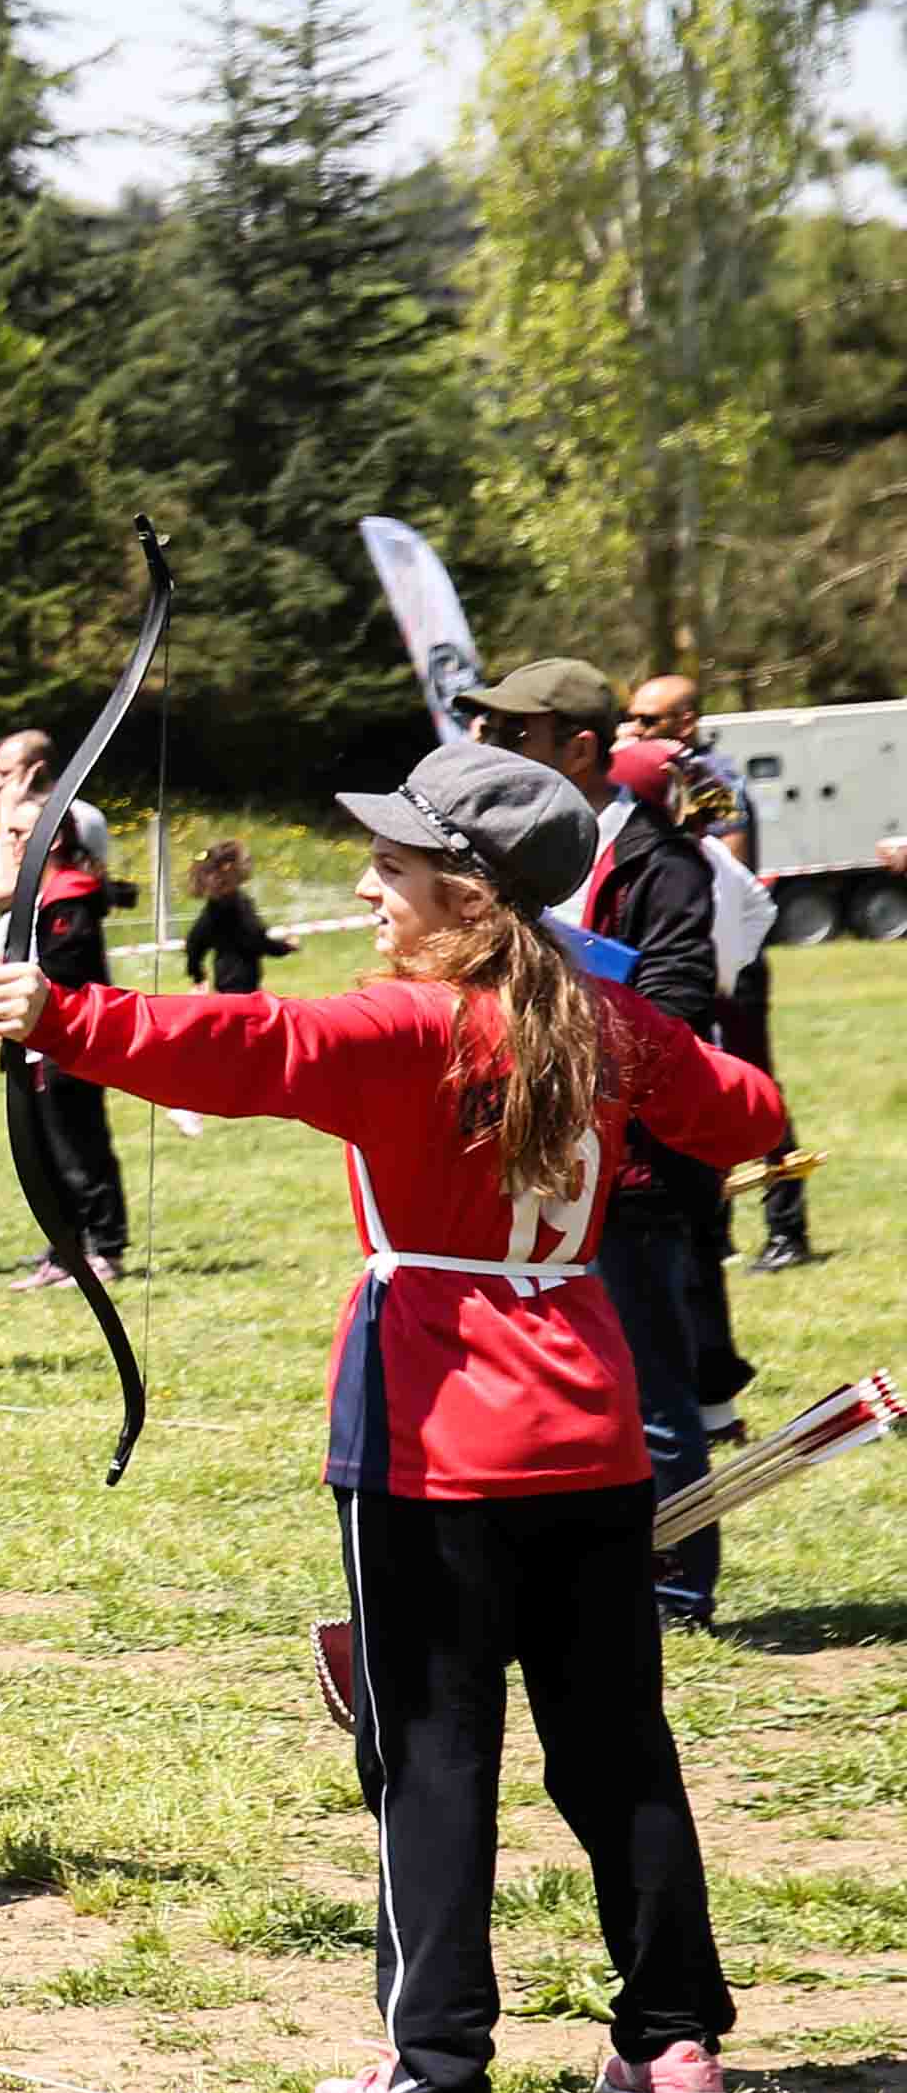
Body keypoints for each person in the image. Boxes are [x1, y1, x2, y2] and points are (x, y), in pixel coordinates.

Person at [0, 738, 784, 2093]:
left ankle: (433, 2065)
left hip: (434, 1433)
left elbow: (250, 1048)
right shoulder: (604, 1022)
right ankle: (672, 2047)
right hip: (590, 1428)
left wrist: (61, 1016)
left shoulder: (416, 1024)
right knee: (616, 1748)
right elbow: (749, 1112)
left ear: (471, 897)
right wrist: (640, 1049)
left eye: (392, 871)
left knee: (430, 1747)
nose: (365, 890)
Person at [466, 657, 733, 1622]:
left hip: (635, 1171)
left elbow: (677, 1001)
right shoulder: (513, 859)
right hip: (534, 1158)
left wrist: (566, 997)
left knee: (650, 1394)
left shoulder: (662, 863)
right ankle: (575, 1579)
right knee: (551, 1385)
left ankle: (673, 1587)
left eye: (518, 734)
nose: (498, 748)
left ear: (578, 749)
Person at [625, 671, 813, 1276]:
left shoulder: (709, 779)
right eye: (631, 718)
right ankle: (714, 1226)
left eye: (648, 720)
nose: (635, 729)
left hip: (730, 961)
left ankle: (788, 1230)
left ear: (685, 722)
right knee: (697, 1085)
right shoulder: (654, 778)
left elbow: (724, 868)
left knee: (753, 1087)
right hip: (690, 960)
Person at [0, 728, 128, 1283]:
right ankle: (65, 1249)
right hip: (31, 1042)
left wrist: (14, 1008)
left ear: (51, 839)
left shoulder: (70, 898)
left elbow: (65, 970)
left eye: (20, 835)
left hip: (67, 1043)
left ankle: (104, 1246)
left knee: (79, 1147)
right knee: (42, 1150)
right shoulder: (36, 894)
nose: (11, 844)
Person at [181, 838, 291, 995]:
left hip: (225, 988)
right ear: (230, 870)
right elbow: (257, 941)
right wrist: (286, 947)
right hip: (243, 990)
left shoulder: (210, 912)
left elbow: (193, 944)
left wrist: (197, 975)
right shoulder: (240, 907)